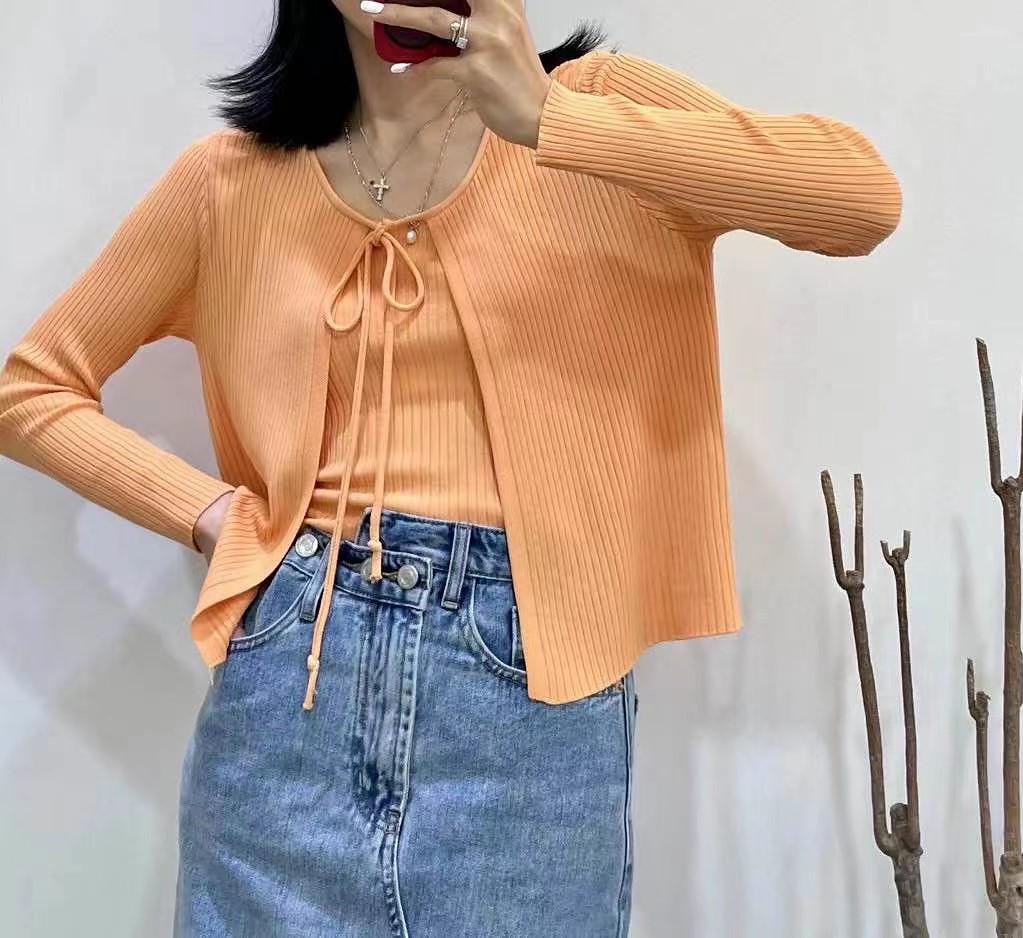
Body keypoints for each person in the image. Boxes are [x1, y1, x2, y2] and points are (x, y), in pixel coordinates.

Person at [0, 0, 903, 935]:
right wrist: (216, 518)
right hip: (290, 693)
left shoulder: (596, 110)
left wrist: (550, 119)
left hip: (533, 707)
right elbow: (32, 390)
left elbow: (860, 202)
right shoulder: (228, 181)